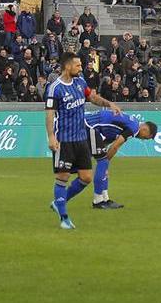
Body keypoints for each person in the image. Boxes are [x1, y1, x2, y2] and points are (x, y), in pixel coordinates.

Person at [46, 52, 122, 230]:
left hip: (81, 139)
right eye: (78, 65)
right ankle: (64, 218)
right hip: (64, 140)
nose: (81, 68)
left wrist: (109, 104)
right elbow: (49, 114)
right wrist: (51, 136)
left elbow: (92, 97)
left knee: (86, 178)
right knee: (62, 177)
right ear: (67, 66)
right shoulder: (55, 88)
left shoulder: (80, 83)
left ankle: (59, 202)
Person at [84, 109, 158, 209]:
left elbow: (109, 139)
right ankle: (98, 200)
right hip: (90, 125)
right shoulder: (134, 128)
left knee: (102, 164)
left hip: (91, 124)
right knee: (102, 163)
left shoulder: (131, 123)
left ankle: (105, 199)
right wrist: (105, 161)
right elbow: (115, 146)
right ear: (145, 129)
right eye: (146, 138)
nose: (143, 139)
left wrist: (104, 158)